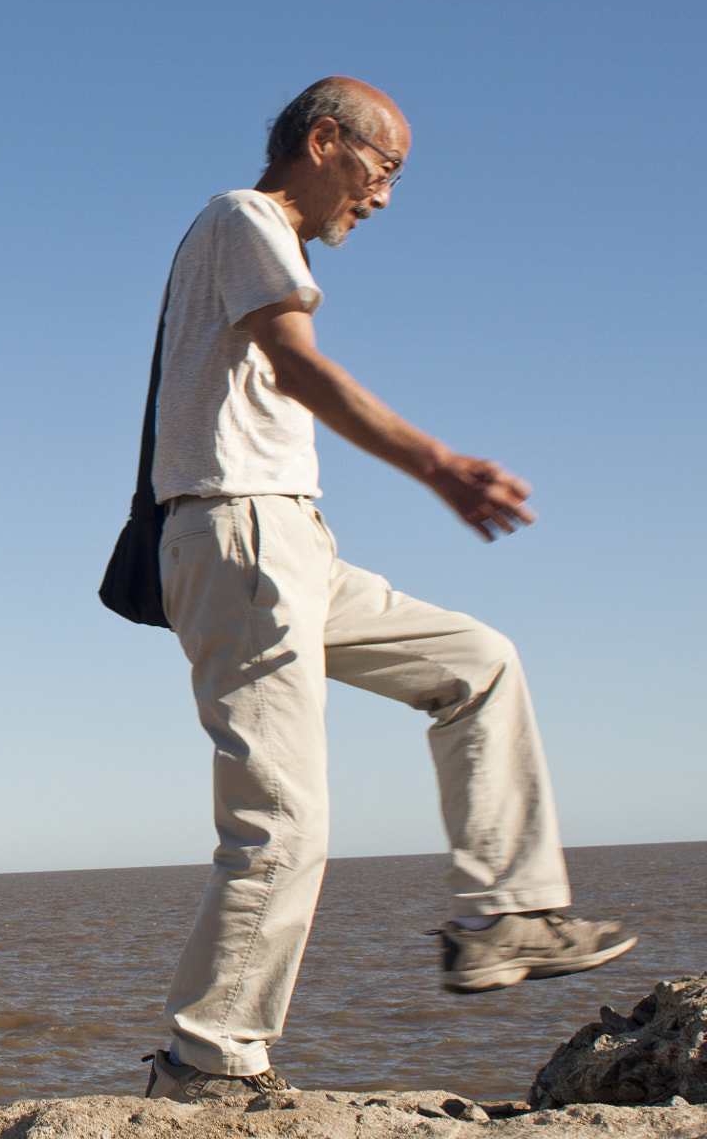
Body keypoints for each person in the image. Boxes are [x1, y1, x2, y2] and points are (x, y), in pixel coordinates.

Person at [136, 77, 635, 1103]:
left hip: (292, 544)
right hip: (243, 531)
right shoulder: (244, 216)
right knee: (280, 819)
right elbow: (295, 364)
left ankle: (507, 916)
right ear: (323, 142)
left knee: (476, 662)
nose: (384, 196)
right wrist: (437, 464)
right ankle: (207, 1062)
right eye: (382, 168)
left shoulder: (251, 235)